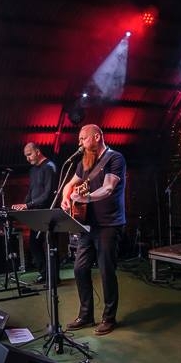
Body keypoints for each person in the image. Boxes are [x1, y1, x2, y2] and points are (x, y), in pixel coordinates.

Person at [60, 124, 127, 336]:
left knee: (106, 270)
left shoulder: (115, 158)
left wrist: (85, 198)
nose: (80, 142)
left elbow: (108, 188)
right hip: (88, 224)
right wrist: (65, 198)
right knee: (80, 268)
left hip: (109, 224)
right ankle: (86, 315)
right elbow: (69, 184)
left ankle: (109, 318)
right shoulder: (85, 162)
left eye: (83, 138)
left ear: (96, 137)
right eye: (79, 139)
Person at [11, 142, 57, 283]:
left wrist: (27, 205)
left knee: (50, 245)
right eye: (26, 156)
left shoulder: (49, 167)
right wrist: (22, 205)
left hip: (48, 212)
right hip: (36, 213)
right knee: (34, 244)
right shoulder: (33, 170)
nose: (28, 158)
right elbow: (31, 192)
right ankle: (45, 274)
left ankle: (54, 278)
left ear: (37, 151)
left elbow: (48, 194)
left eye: (29, 154)